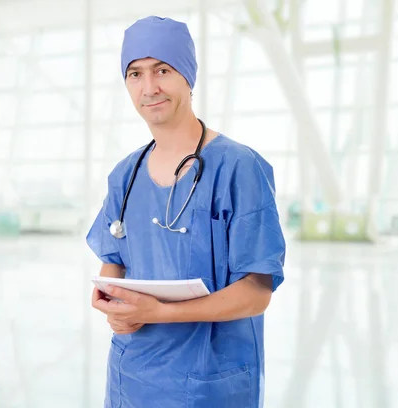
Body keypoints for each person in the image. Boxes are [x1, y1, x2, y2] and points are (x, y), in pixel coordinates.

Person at [86, 15, 286, 408]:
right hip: (133, 377)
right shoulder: (124, 175)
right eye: (135, 73)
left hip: (211, 384)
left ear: (187, 76)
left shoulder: (238, 168)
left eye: (162, 69)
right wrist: (108, 302)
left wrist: (157, 312)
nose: (149, 87)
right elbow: (113, 261)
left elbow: (256, 293)